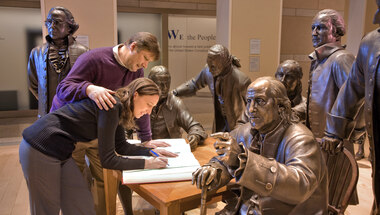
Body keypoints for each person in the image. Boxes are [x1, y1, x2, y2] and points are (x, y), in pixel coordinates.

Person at [19, 78, 177, 215]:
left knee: (81, 204)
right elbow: (108, 160)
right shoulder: (112, 106)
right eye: (148, 104)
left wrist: (151, 151)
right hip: (39, 147)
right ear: (135, 95)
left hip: (61, 151)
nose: (148, 112)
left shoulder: (119, 108)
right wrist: (147, 164)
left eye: (152, 107)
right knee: (47, 208)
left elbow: (121, 146)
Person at [50, 32, 163, 214]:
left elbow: (141, 105)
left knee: (106, 179)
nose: (145, 65)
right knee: (76, 183)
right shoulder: (93, 59)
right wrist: (88, 88)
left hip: (101, 131)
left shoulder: (137, 71)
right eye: (145, 58)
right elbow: (63, 89)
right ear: (132, 47)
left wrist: (146, 139)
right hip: (71, 131)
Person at [192, 77, 328, 214]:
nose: (251, 109)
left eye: (260, 101)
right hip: (248, 207)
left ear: (281, 107)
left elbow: (301, 185)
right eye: (249, 101)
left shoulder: (301, 139)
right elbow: (227, 157)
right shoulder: (248, 130)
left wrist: (243, 162)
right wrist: (214, 169)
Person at [322, 0, 380, 213]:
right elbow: (353, 88)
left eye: (321, 28)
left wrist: (357, 131)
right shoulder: (372, 43)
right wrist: (334, 130)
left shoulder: (341, 59)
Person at [306, 9, 366, 205]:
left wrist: (345, 134)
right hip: (318, 142)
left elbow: (358, 100)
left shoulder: (341, 59)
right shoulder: (320, 61)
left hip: (333, 143)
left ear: (337, 31)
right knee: (320, 196)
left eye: (321, 28)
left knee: (333, 197)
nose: (315, 32)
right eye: (313, 28)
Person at [172, 44, 251, 132]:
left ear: (224, 63)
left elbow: (251, 107)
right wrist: (174, 93)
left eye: (213, 67)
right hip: (219, 123)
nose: (209, 70)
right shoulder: (208, 71)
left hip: (236, 125)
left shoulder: (242, 81)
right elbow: (193, 84)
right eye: (208, 65)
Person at [28, 6, 88, 118]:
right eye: (49, 22)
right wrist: (45, 99)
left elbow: (88, 83)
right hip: (47, 113)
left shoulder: (84, 52)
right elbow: (33, 84)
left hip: (74, 113)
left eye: (57, 22)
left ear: (69, 27)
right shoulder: (36, 53)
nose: (51, 26)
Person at [148, 65, 207, 150]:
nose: (165, 88)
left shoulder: (176, 103)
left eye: (167, 83)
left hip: (171, 150)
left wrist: (195, 136)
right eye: (160, 84)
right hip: (146, 151)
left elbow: (194, 126)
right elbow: (127, 126)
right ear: (151, 83)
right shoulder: (142, 100)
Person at [239, 59, 307, 124]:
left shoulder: (305, 106)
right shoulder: (261, 101)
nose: (283, 80)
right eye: (280, 75)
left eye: (289, 77)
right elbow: (241, 124)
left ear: (298, 80)